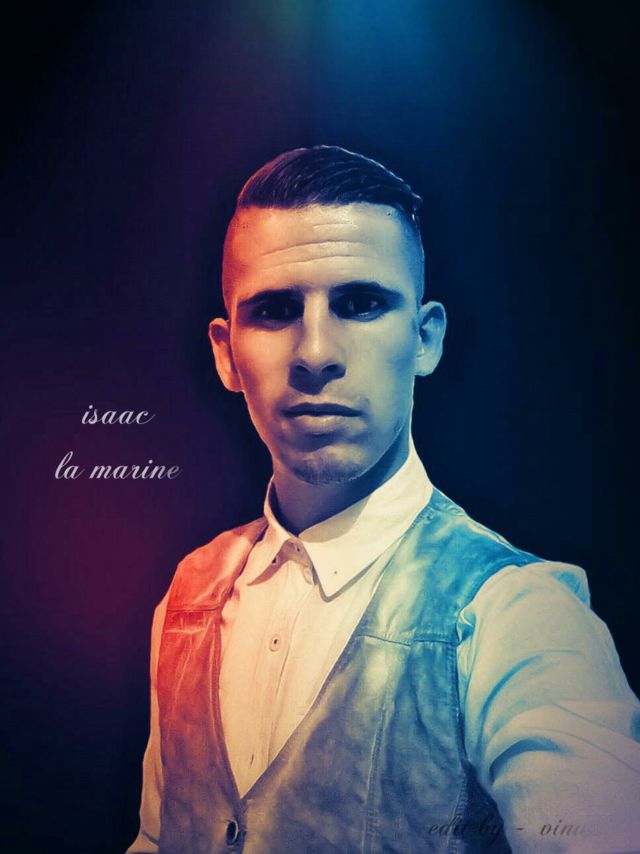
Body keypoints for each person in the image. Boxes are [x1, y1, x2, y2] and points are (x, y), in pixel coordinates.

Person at [127, 146, 640, 854]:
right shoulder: (187, 598)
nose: (315, 352)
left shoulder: (517, 616)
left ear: (425, 339)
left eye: (360, 303)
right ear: (225, 354)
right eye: (274, 310)